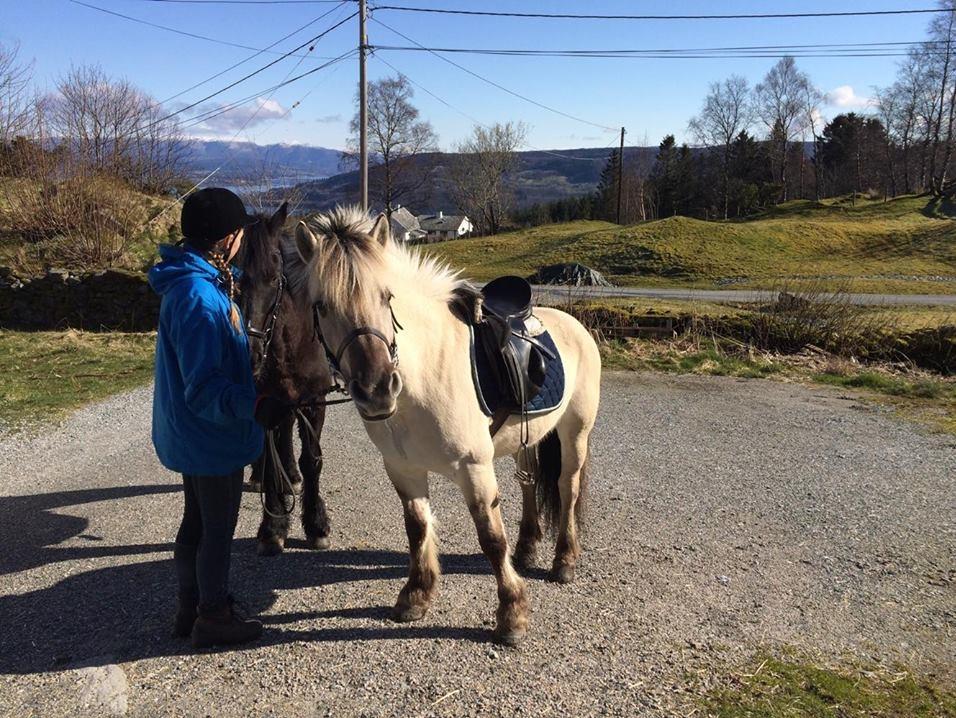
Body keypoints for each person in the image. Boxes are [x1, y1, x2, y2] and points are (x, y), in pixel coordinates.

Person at [148, 187, 287, 649]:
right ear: (226, 238)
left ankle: (189, 608)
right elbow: (204, 386)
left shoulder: (202, 279)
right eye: (240, 233)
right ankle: (213, 614)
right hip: (211, 434)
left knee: (197, 521)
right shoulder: (196, 298)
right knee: (216, 528)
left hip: (197, 431)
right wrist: (253, 405)